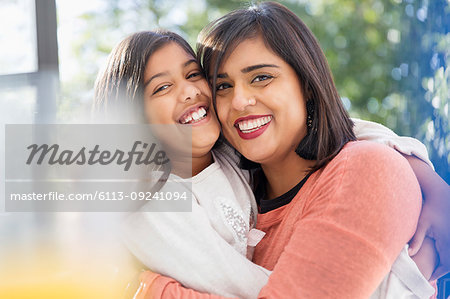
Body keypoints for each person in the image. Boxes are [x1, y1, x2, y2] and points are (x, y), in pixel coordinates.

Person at [133, 2, 449, 298]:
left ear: (307, 84)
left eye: (261, 77)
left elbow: (346, 130)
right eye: (223, 86)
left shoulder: (363, 170)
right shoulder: (234, 186)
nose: (240, 101)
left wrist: (152, 290)